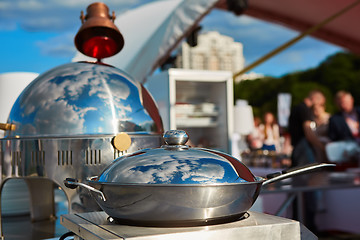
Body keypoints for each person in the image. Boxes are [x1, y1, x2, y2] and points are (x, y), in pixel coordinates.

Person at [288, 90, 326, 167]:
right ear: (315, 98)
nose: (318, 106)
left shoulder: (297, 108)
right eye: (320, 103)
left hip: (296, 145)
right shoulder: (305, 109)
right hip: (303, 146)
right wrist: (322, 147)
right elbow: (308, 132)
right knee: (309, 172)